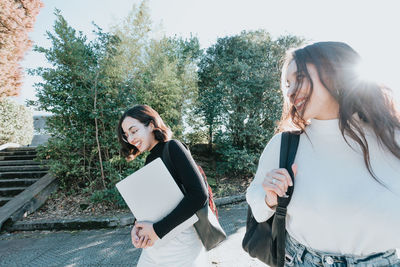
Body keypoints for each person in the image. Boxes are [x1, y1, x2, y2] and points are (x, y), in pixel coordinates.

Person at [246, 42, 400, 266]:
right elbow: (257, 208)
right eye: (287, 84)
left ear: (334, 73)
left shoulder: (391, 138)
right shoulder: (286, 143)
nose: (289, 92)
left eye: (299, 77)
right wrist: (270, 199)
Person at [117, 105, 209, 267]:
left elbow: (199, 195)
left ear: (151, 125)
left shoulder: (173, 147)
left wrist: (156, 230)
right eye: (126, 135)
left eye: (133, 131)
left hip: (182, 244)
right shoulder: (149, 160)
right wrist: (136, 226)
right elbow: (155, 203)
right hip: (157, 243)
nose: (130, 139)